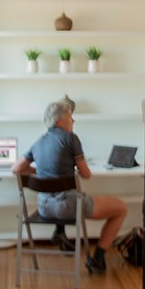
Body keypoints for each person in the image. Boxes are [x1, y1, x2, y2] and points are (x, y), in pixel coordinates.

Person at [12, 100, 127, 274]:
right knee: (121, 208)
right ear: (59, 120)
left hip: (43, 208)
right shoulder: (70, 138)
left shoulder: (38, 142)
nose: (73, 121)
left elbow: (16, 168)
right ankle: (98, 258)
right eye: (70, 117)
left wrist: (40, 171)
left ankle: (59, 232)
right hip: (67, 206)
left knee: (67, 197)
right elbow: (86, 175)